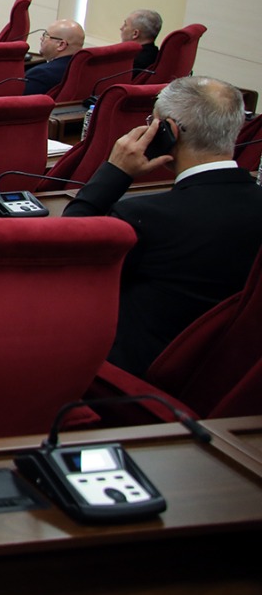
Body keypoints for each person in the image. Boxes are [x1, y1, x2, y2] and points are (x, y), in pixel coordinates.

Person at [63, 76, 262, 375]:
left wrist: (115, 171)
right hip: (221, 375)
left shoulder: (145, 217)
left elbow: (68, 262)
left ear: (168, 131)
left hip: (129, 379)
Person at [24, 18, 84, 95]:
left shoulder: (41, 74)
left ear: (61, 45)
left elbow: (16, 100)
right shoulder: (85, 70)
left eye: (46, 35)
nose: (41, 38)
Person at [121, 8, 163, 72]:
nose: (121, 28)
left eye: (125, 25)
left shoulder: (131, 63)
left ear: (135, 34)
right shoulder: (157, 56)